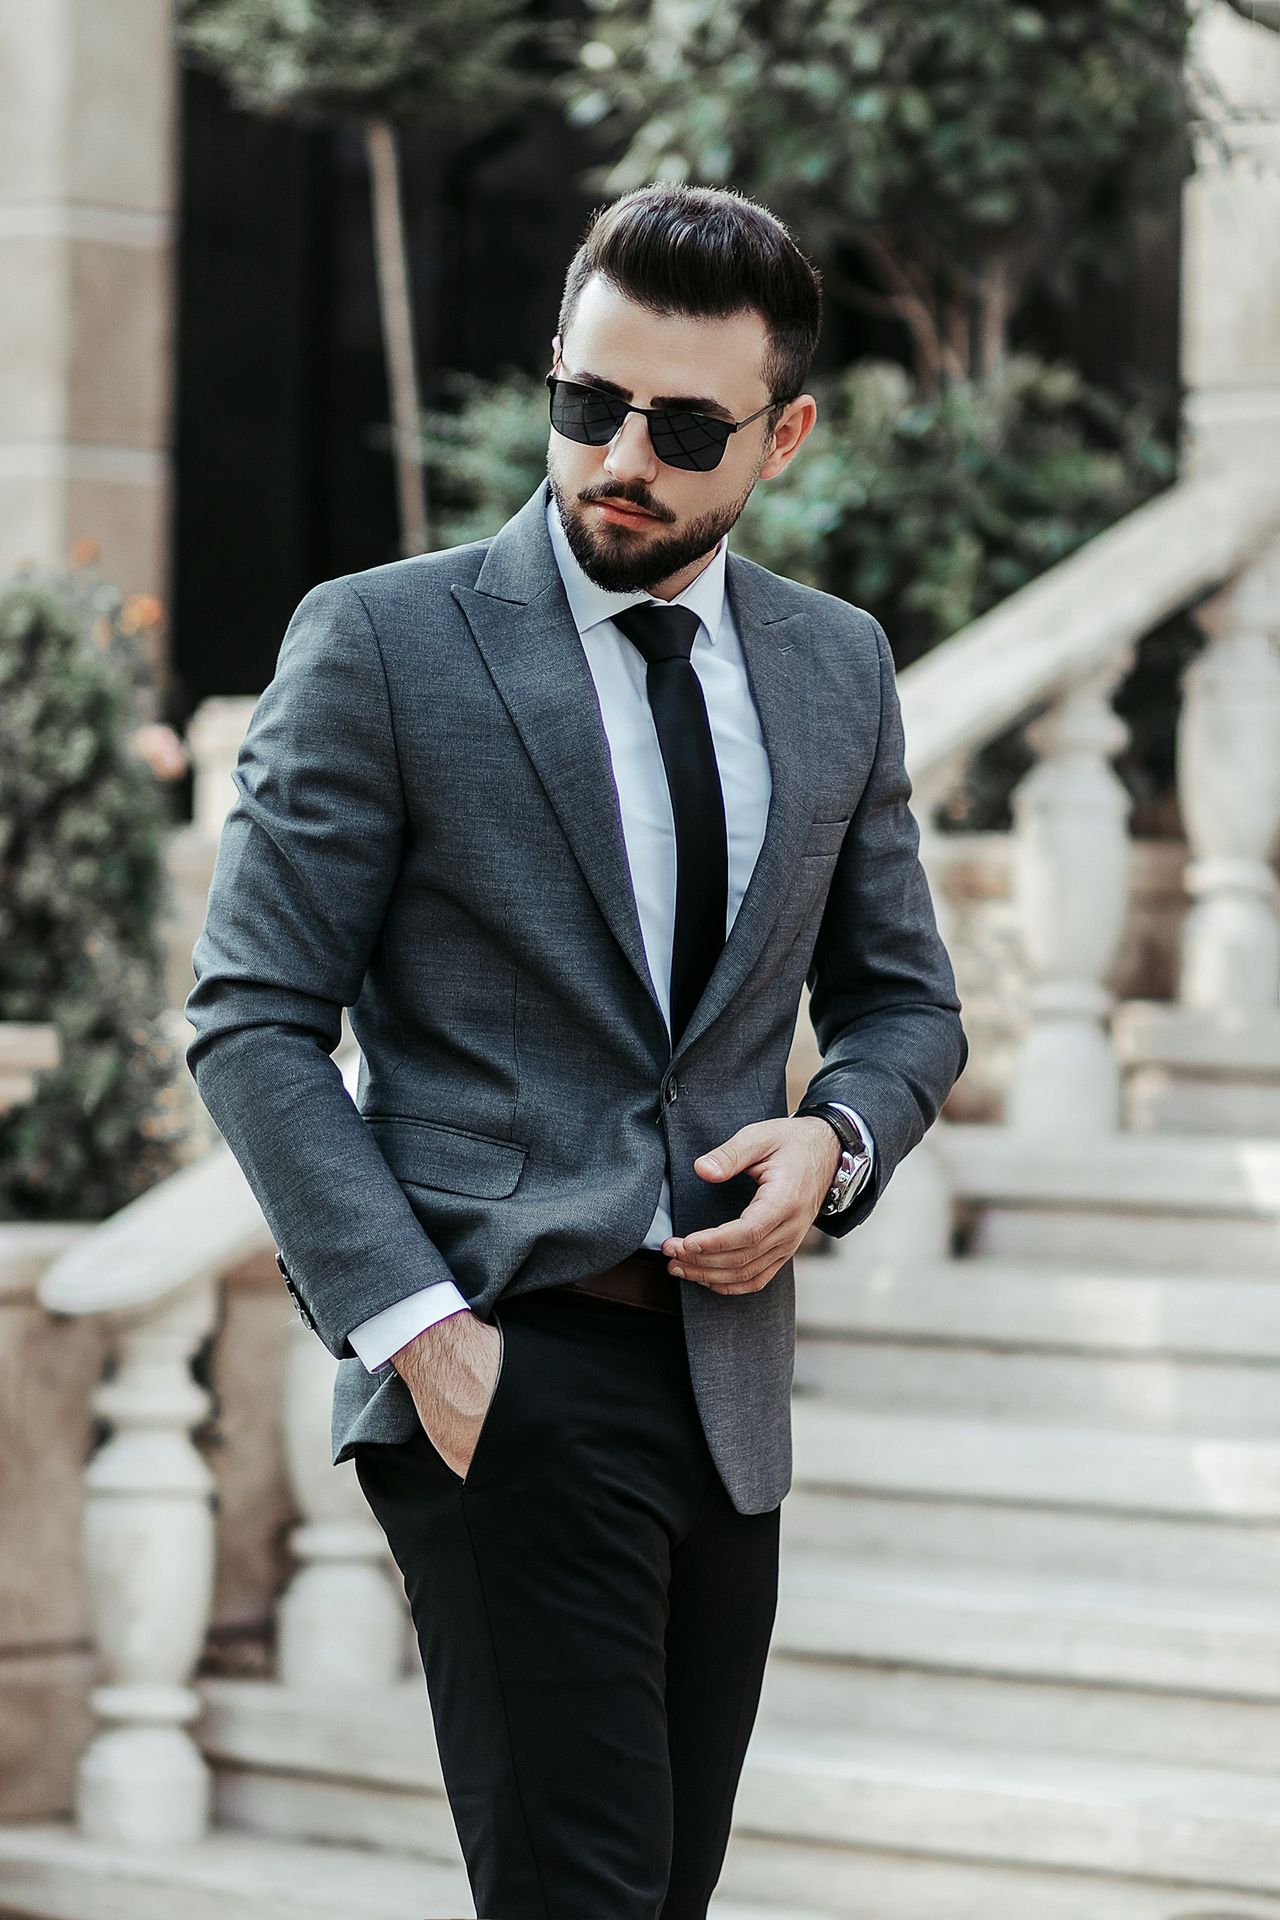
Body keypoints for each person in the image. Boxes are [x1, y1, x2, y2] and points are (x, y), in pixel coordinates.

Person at [185, 182, 967, 1920]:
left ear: (786, 436)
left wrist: (834, 1141)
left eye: (684, 427)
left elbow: (907, 1001)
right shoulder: (382, 645)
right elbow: (250, 1016)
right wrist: (423, 1339)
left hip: (725, 1397)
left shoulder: (835, 669)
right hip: (498, 1366)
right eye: (586, 402)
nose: (622, 452)